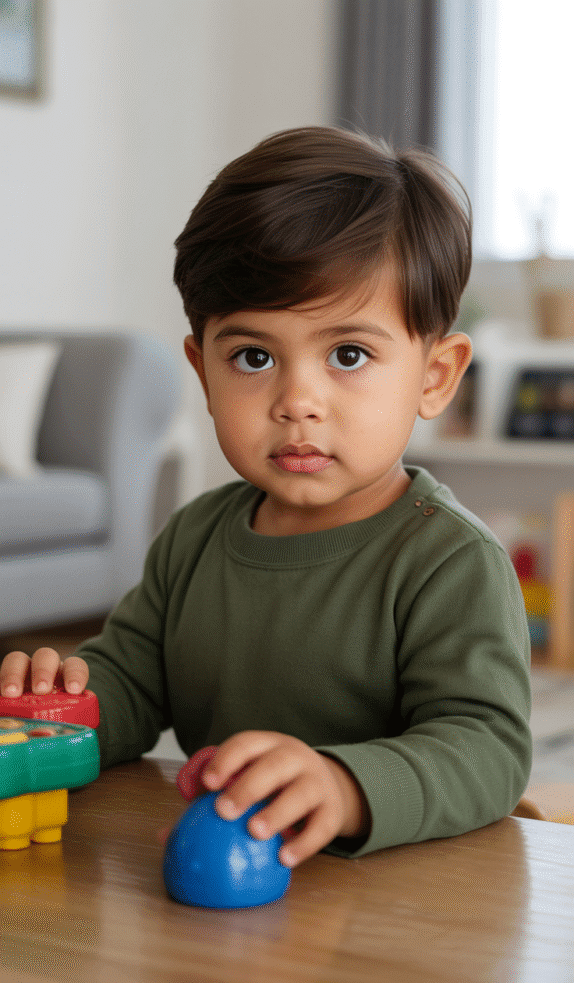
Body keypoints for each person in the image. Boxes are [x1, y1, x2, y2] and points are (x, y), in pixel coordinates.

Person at [0, 126, 531, 868]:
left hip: (389, 903)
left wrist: (344, 785)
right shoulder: (194, 539)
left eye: (348, 355)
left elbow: (486, 751)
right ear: (203, 370)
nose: (296, 400)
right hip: (213, 890)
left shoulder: (449, 560)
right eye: (254, 357)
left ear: (435, 376)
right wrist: (59, 710)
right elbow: (128, 681)